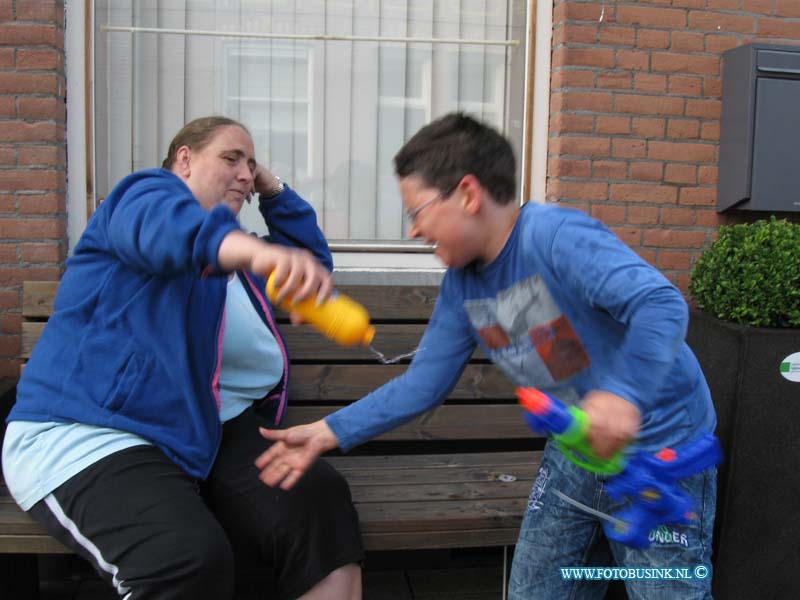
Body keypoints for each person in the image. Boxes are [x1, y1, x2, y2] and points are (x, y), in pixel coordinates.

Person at [255, 113, 718, 599]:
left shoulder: (555, 237)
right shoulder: (462, 283)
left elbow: (660, 303)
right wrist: (328, 432)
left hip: (662, 458)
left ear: (469, 194)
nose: (414, 231)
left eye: (417, 212)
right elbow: (423, 386)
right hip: (574, 454)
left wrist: (622, 397)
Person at [2, 116, 364, 599]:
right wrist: (254, 254)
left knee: (318, 501)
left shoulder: (240, 260)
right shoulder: (141, 201)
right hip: (94, 429)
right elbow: (168, 229)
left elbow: (309, 267)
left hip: (205, 430)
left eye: (251, 165)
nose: (243, 173)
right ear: (184, 160)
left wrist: (270, 188)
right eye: (230, 158)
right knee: (185, 559)